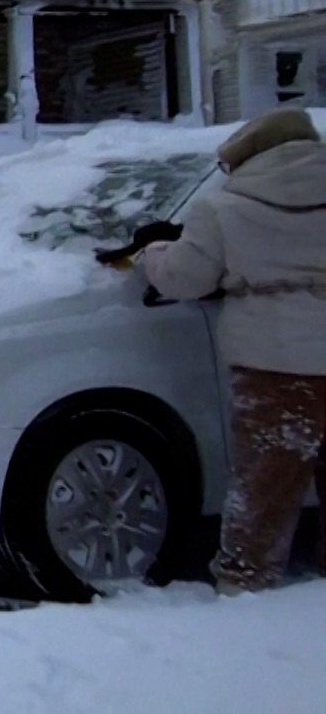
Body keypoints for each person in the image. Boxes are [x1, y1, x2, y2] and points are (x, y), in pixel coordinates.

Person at [138, 107, 326, 594]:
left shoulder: (223, 209)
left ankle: (246, 589)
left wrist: (153, 250)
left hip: (276, 369)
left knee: (265, 490)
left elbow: (185, 278)